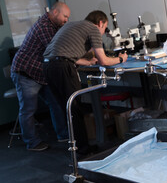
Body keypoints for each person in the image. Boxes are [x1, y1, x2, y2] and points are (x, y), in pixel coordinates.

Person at [42, 10, 128, 156]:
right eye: (104, 28)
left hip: (48, 66)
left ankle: (76, 148)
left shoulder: (71, 26)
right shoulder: (93, 28)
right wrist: (121, 59)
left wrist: (87, 62)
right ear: (101, 23)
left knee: (67, 109)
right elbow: (104, 61)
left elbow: (64, 53)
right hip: (63, 67)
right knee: (75, 108)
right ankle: (83, 151)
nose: (102, 33)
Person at [11, 2, 71, 151]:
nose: (66, 20)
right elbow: (55, 49)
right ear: (55, 12)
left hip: (40, 73)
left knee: (55, 102)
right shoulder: (44, 27)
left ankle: (63, 134)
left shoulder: (53, 26)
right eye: (65, 16)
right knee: (28, 110)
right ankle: (32, 142)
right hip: (25, 72)